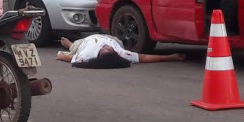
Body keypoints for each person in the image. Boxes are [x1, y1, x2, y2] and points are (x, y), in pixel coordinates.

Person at [56, 34, 185, 68]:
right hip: (109, 38)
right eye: (109, 50)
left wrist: (61, 56)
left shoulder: (87, 55)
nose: (105, 47)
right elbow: (144, 58)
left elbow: (69, 59)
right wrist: (171, 57)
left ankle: (69, 44)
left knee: (74, 48)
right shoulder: (122, 53)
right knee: (118, 42)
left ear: (99, 55)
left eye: (103, 50)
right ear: (114, 53)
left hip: (85, 41)